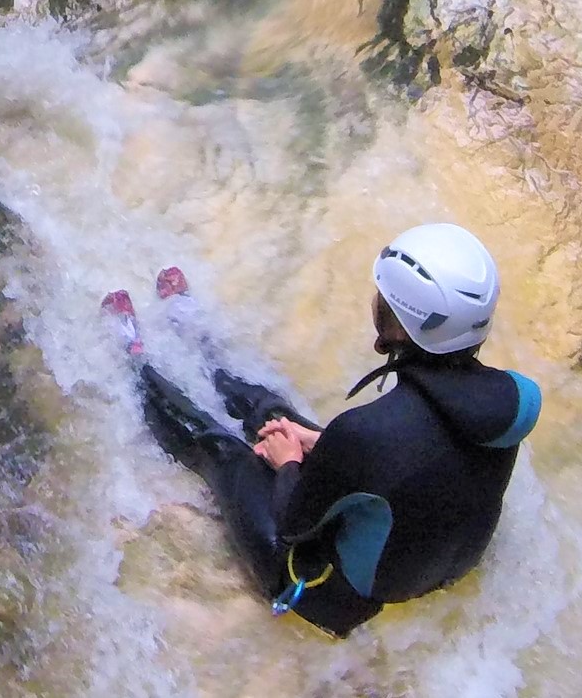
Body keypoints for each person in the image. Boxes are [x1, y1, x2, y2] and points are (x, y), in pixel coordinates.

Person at [111, 224, 541, 639]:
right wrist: (321, 445)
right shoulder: (520, 399)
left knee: (222, 449)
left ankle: (135, 364)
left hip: (334, 595)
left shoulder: (366, 435)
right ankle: (202, 344)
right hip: (439, 564)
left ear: (395, 326)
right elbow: (420, 457)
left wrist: (290, 464)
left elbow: (294, 523)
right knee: (278, 415)